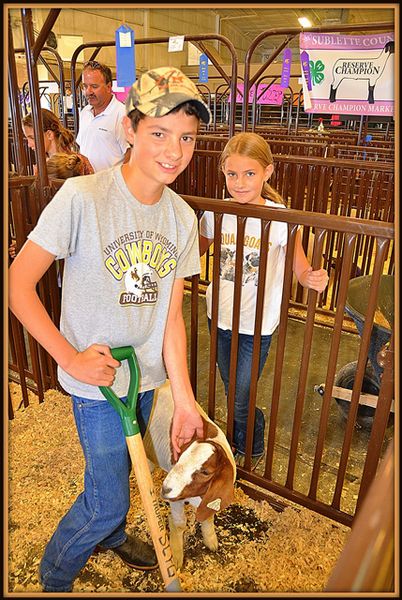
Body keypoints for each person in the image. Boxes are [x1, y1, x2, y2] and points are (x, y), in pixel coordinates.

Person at [9, 66, 211, 592]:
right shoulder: (83, 197)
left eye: (187, 137)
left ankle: (112, 533)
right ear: (130, 129)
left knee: (118, 472)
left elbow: (170, 315)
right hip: (97, 383)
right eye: (159, 133)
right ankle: (56, 573)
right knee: (105, 500)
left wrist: (185, 399)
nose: (174, 150)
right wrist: (69, 358)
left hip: (142, 379)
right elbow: (18, 285)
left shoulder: (182, 219)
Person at [199, 132, 329, 464]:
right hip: (220, 315)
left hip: (257, 325)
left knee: (241, 396)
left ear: (267, 173)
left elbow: (299, 266)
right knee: (231, 391)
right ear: (223, 173)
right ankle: (238, 441)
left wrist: (310, 277)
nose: (239, 183)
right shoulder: (216, 212)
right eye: (232, 174)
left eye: (249, 174)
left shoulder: (281, 218)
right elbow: (193, 253)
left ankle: (252, 443)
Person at [76, 60, 131, 172]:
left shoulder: (122, 115)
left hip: (111, 186)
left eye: (94, 86)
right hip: (88, 184)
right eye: (85, 86)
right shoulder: (85, 112)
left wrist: (119, 183)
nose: (88, 92)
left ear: (109, 87)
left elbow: (131, 155)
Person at [22, 108, 94, 175]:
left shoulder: (79, 163)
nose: (29, 144)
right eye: (27, 139)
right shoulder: (41, 166)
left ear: (49, 134)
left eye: (32, 138)